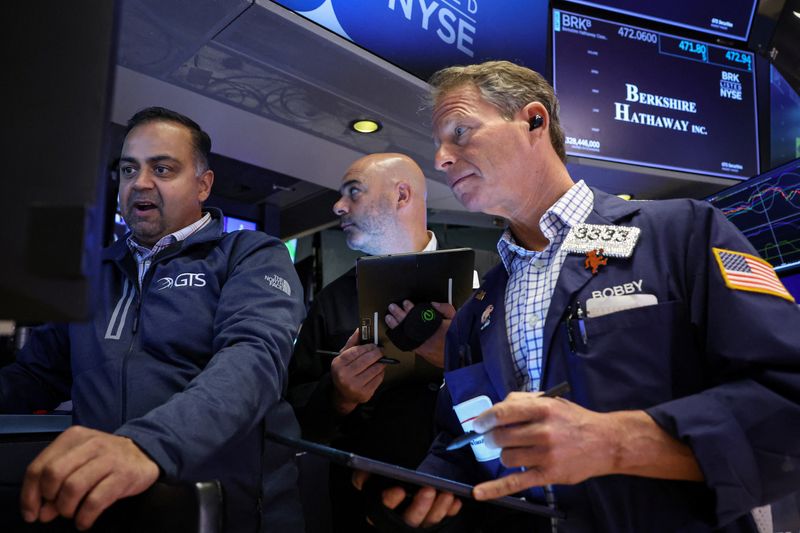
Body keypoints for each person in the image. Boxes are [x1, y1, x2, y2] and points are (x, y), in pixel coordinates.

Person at [368, 60, 800, 532]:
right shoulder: (476, 313)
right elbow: (468, 442)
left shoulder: (681, 235)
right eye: (439, 144)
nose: (441, 159)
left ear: (534, 120)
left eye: (461, 132)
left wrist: (617, 442)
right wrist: (430, 486)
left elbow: (787, 400)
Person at [0, 107, 306, 533]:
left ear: (203, 184)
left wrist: (145, 446)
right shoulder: (95, 271)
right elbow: (34, 373)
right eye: (129, 169)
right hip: (107, 506)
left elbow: (252, 362)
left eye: (162, 168)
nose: (140, 183)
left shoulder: (250, 254)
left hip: (223, 510)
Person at [288, 153, 463, 532]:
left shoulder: (482, 286)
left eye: (354, 192)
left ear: (402, 196)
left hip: (460, 505)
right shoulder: (331, 300)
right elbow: (293, 411)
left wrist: (460, 362)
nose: (337, 205)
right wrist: (337, 395)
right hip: (360, 507)